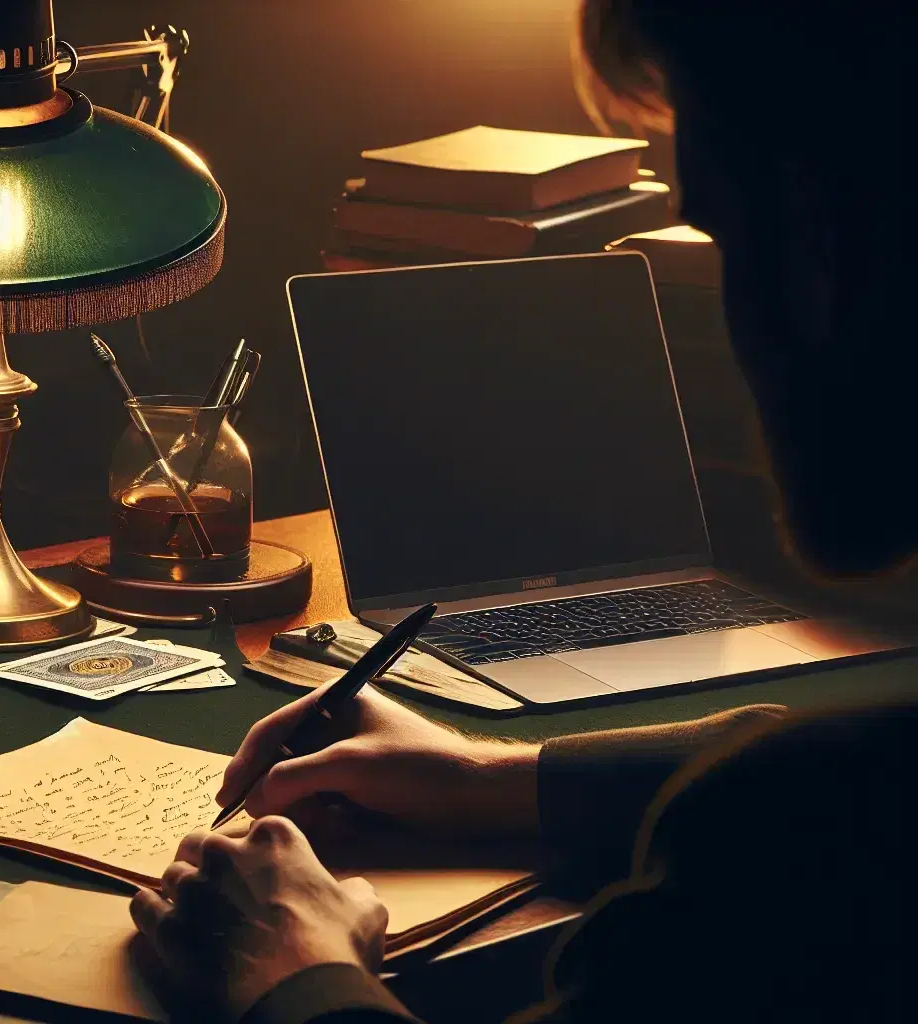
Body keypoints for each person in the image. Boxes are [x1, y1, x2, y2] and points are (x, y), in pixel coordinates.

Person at [131, 2, 917, 1021]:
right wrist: (489, 777)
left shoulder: (773, 856)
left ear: (832, 243)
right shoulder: (818, 803)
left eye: (722, 230)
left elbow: (833, 805)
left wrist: (294, 971)